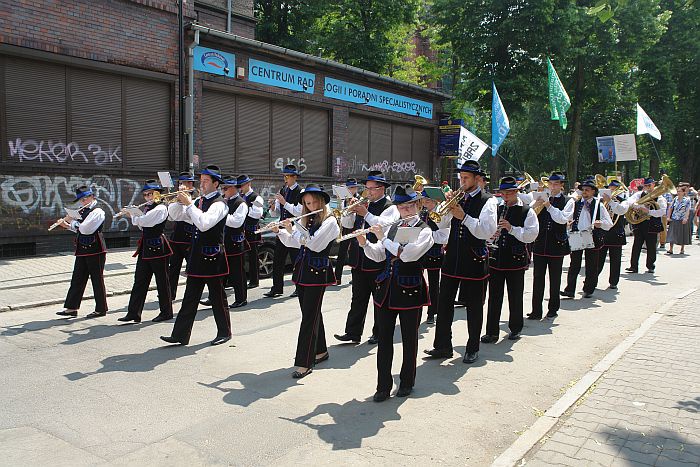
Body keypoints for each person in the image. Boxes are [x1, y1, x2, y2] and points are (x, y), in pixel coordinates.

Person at [360, 185, 434, 401]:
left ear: (418, 206)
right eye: (402, 207)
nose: (407, 211)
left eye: (410, 206)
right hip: (386, 290)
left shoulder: (425, 230)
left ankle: (407, 382)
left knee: (409, 339)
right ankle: (383, 386)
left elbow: (407, 255)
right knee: (384, 340)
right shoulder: (392, 228)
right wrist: (365, 243)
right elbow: (379, 256)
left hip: (410, 289)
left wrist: (383, 238)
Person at [424, 160, 498, 364]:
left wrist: (464, 216)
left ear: (477, 179)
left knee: (474, 306)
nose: (462, 182)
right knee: (444, 303)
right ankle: (442, 346)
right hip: (453, 257)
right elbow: (440, 223)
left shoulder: (488, 201)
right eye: (461, 178)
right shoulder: (457, 198)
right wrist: (445, 209)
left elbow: (487, 231)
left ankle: (472, 347)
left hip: (474, 258)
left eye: (466, 178)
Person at [161, 165, 231, 346]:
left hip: (213, 256)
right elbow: (175, 216)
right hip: (197, 256)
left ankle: (225, 332)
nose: (202, 184)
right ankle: (180, 335)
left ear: (216, 184)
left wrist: (189, 204)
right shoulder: (199, 201)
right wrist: (179, 201)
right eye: (201, 181)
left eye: (206, 181)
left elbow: (204, 223)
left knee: (217, 298)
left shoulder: (220, 204)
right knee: (190, 297)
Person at [273, 184, 339, 379]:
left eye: (314, 202)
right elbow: (294, 243)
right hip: (303, 271)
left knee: (308, 317)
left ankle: (304, 362)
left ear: (322, 202)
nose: (311, 206)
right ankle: (320, 351)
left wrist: (293, 229)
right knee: (311, 312)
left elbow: (315, 244)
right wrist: (281, 231)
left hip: (318, 273)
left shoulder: (330, 221)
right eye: (307, 203)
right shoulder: (307, 218)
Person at [334, 171, 398, 345]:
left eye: (372, 189)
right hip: (358, 258)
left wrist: (365, 213)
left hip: (376, 258)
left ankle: (378, 332)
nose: (368, 192)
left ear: (382, 188)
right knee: (358, 298)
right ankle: (352, 332)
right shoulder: (364, 203)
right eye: (367, 188)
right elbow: (348, 225)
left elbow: (383, 227)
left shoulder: (390, 207)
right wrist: (349, 210)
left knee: (379, 300)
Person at [481, 177, 539, 343]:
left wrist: (511, 228)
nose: (505, 196)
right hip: (496, 259)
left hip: (515, 259)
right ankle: (491, 332)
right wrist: (491, 237)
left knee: (515, 295)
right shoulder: (498, 209)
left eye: (509, 193)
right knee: (494, 296)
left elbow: (531, 235)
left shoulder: (527, 211)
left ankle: (515, 328)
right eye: (503, 193)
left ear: (516, 192)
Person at [118, 180, 173, 323]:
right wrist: (135, 214)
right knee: (140, 281)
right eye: (145, 195)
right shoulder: (148, 208)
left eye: (150, 194)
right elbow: (143, 226)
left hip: (158, 247)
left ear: (157, 194)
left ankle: (166, 312)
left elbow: (144, 222)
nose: (147, 197)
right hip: (146, 247)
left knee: (162, 281)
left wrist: (132, 215)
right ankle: (133, 313)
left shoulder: (161, 208)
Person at [56, 185, 108, 318]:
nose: (83, 202)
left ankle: (101, 309)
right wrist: (66, 225)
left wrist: (71, 220)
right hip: (82, 248)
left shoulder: (98, 211)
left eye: (86, 198)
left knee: (97, 279)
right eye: (81, 200)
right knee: (77, 278)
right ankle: (71, 308)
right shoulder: (82, 211)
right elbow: (79, 229)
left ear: (92, 197)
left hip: (95, 249)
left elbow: (85, 229)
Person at [528, 172, 575, 320]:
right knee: (538, 278)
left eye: (556, 184)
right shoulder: (541, 197)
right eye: (551, 184)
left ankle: (553, 308)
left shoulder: (569, 201)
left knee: (555, 279)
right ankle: (536, 310)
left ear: (561, 186)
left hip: (557, 244)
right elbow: (530, 215)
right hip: (540, 242)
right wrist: (535, 205)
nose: (553, 187)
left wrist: (548, 205)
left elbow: (562, 219)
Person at [202, 175, 249, 308]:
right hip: (223, 243)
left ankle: (241, 298)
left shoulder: (241, 203)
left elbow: (236, 222)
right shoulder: (223, 201)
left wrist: (221, 215)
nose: (223, 191)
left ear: (234, 188)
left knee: (237, 273)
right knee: (219, 273)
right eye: (222, 188)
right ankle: (214, 298)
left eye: (226, 188)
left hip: (235, 243)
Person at [561, 179, 613, 299]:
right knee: (574, 264)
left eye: (587, 190)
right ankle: (570, 290)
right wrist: (567, 222)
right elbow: (565, 216)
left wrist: (601, 224)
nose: (584, 192)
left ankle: (589, 289)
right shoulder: (575, 203)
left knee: (591, 265)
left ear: (593, 192)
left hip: (593, 236)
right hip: (577, 235)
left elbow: (609, 223)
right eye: (583, 190)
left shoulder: (599, 205)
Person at [265, 165, 302, 298]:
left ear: (294, 177)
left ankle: (299, 287)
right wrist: (274, 206)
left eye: (288, 176)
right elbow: (278, 212)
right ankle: (277, 288)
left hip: (293, 229)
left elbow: (299, 212)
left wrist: (284, 202)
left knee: (295, 260)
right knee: (278, 260)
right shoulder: (283, 189)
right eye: (284, 176)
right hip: (281, 229)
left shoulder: (300, 191)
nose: (285, 179)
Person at [626, 177, 667, 274]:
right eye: (646, 185)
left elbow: (662, 212)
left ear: (654, 185)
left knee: (651, 246)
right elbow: (630, 201)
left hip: (652, 224)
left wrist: (648, 211)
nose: (647, 187)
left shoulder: (660, 198)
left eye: (649, 185)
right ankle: (633, 266)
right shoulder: (640, 194)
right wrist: (637, 206)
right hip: (640, 223)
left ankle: (650, 266)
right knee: (636, 245)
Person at [167, 171, 196, 301]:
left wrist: (184, 202)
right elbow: (172, 217)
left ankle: (191, 295)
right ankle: (169, 294)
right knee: (173, 268)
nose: (181, 186)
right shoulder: (176, 199)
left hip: (190, 239)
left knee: (192, 268)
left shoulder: (196, 198)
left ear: (190, 184)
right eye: (180, 183)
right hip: (176, 238)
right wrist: (178, 202)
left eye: (184, 183)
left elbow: (188, 217)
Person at [597, 180, 629, 290]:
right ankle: (592, 279)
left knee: (615, 260)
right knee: (598, 258)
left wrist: (610, 201)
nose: (612, 190)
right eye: (610, 187)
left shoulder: (624, 201)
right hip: (603, 232)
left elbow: (621, 211)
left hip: (616, 233)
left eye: (615, 188)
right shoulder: (600, 201)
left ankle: (613, 282)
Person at [419, 194, 446, 324]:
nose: (425, 202)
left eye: (428, 200)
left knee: (434, 284)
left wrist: (427, 235)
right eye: (424, 200)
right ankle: (417, 311)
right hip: (421, 252)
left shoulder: (441, 213)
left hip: (434, 251)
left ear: (434, 201)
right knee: (419, 282)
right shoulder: (422, 213)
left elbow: (444, 233)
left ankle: (432, 312)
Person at [238, 175, 264, 289]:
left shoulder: (256, 197)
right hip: (242, 230)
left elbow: (258, 213)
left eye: (242, 185)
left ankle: (254, 280)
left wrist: (244, 209)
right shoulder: (241, 196)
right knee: (241, 256)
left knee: (253, 257)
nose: (240, 188)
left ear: (248, 184)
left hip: (252, 230)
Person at [334, 178, 360, 285]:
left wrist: (352, 207)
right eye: (349, 188)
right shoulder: (344, 199)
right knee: (342, 253)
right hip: (346, 227)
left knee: (355, 253)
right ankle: (337, 278)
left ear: (356, 188)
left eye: (353, 188)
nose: (351, 190)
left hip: (356, 227)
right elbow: (340, 212)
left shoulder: (360, 198)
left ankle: (356, 278)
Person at [666, 183, 691, 255]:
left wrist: (686, 218)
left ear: (683, 192)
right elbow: (671, 208)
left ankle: (682, 249)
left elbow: (687, 209)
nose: (678, 193)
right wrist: (668, 217)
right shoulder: (675, 199)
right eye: (677, 191)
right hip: (674, 218)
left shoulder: (687, 200)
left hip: (682, 218)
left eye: (680, 191)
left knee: (682, 234)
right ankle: (671, 249)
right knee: (672, 234)